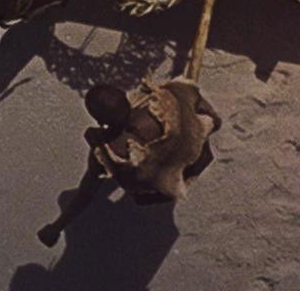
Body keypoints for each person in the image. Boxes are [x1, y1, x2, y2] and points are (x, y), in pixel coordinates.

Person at [37, 76, 222, 246]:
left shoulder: (108, 153)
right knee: (185, 102)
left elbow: (86, 193)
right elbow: (211, 116)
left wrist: (56, 227)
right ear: (127, 98)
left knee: (118, 171)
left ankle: (160, 178)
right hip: (199, 159)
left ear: (100, 122)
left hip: (163, 192)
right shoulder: (164, 99)